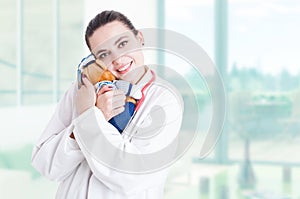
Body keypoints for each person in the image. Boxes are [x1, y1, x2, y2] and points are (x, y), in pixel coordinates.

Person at [31, 10, 183, 199]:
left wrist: (89, 115)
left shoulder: (165, 100)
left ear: (139, 38)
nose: (118, 60)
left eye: (123, 44)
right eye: (104, 54)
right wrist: (76, 132)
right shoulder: (82, 91)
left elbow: (130, 178)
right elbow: (46, 166)